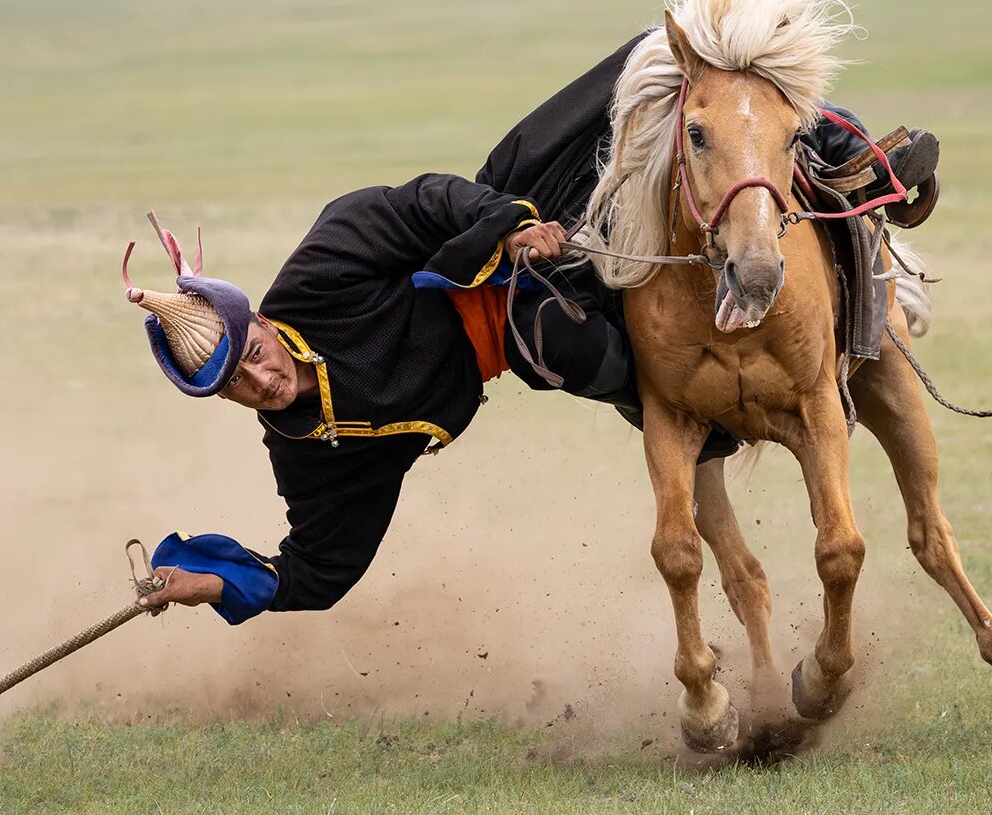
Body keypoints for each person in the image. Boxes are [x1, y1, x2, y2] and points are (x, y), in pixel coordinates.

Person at [134, 32, 939, 622]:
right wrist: (214, 582)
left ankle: (848, 156)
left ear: (260, 319)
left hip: (526, 216)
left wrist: (511, 225)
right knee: (573, 347)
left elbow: (419, 201)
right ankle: (712, 419)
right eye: (238, 387)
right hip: (523, 328)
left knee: (661, 67)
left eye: (252, 354)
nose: (262, 380)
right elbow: (316, 569)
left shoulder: (318, 274)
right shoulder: (310, 449)